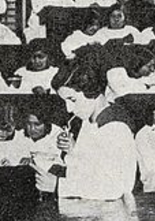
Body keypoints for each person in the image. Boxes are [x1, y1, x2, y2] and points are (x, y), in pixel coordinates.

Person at [38, 62, 137, 200]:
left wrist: (58, 186)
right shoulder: (88, 121)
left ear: (91, 92)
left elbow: (116, 188)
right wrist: (73, 150)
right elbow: (92, 170)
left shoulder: (116, 127)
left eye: (72, 99)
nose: (69, 109)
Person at [23, 108, 63, 197]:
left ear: (47, 123)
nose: (32, 129)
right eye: (29, 124)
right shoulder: (20, 135)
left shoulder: (58, 135)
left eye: (37, 124)